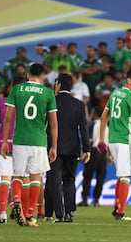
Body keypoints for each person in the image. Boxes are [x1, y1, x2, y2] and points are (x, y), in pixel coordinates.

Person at [1, 63, 58, 227]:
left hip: (20, 140)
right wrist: (53, 146)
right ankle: (30, 213)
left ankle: (17, 199)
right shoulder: (48, 93)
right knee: (36, 177)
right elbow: (53, 123)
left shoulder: (17, 90)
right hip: (39, 141)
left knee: (18, 175)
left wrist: (5, 141)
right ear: (43, 76)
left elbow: (8, 118)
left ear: (27, 74)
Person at [98, 69, 131, 220]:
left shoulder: (115, 93)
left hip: (113, 141)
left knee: (120, 174)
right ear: (128, 80)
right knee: (125, 176)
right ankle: (121, 212)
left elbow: (104, 116)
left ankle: (117, 207)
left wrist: (101, 138)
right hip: (126, 141)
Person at [45, 74, 90, 223]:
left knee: (54, 181)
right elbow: (83, 128)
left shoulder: (51, 101)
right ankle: (69, 212)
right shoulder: (79, 104)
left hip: (54, 147)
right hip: (73, 148)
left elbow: (45, 125)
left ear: (58, 85)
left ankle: (60, 214)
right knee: (69, 179)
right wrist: (87, 149)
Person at [0, 76, 27, 223]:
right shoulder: (26, 103)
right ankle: (20, 208)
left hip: (4, 144)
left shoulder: (1, 103)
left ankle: (2, 212)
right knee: (20, 178)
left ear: (10, 87)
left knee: (5, 179)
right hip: (22, 144)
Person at [78, 105, 109, 207]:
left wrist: (85, 152)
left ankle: (85, 198)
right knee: (100, 177)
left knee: (87, 176)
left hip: (94, 151)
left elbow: (89, 140)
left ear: (95, 113)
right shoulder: (106, 126)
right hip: (103, 154)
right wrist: (109, 155)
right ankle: (96, 200)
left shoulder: (92, 125)